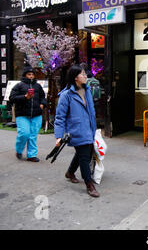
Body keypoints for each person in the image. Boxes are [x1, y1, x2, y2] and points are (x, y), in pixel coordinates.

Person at [54, 64, 99, 198]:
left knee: (83, 153)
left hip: (89, 128)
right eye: (83, 74)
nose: (85, 76)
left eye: (85, 74)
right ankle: (89, 184)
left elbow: (90, 110)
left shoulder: (87, 90)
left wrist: (95, 128)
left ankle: (70, 172)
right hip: (76, 130)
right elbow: (60, 117)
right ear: (75, 78)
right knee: (85, 157)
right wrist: (58, 135)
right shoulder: (66, 95)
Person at [9, 64, 47, 162]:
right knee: (24, 133)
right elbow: (12, 98)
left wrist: (42, 104)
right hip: (22, 114)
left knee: (33, 135)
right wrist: (25, 97)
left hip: (36, 114)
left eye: (32, 74)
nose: (31, 76)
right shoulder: (19, 86)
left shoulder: (38, 86)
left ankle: (31, 155)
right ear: (25, 75)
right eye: (29, 74)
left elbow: (43, 97)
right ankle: (19, 150)